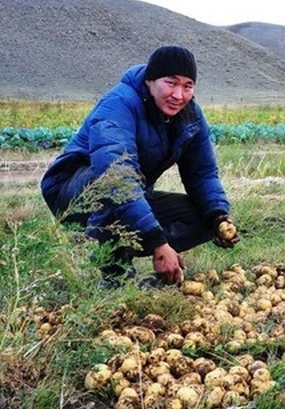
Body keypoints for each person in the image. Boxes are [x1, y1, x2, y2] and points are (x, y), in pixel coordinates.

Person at [40, 45, 239, 288]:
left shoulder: (190, 115)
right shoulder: (119, 104)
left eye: (187, 86)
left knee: (205, 217)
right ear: (150, 80)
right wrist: (157, 241)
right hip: (72, 192)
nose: (179, 95)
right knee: (110, 184)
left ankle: (130, 254)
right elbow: (116, 174)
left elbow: (202, 173)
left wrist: (218, 215)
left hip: (130, 191)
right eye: (171, 82)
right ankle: (115, 273)